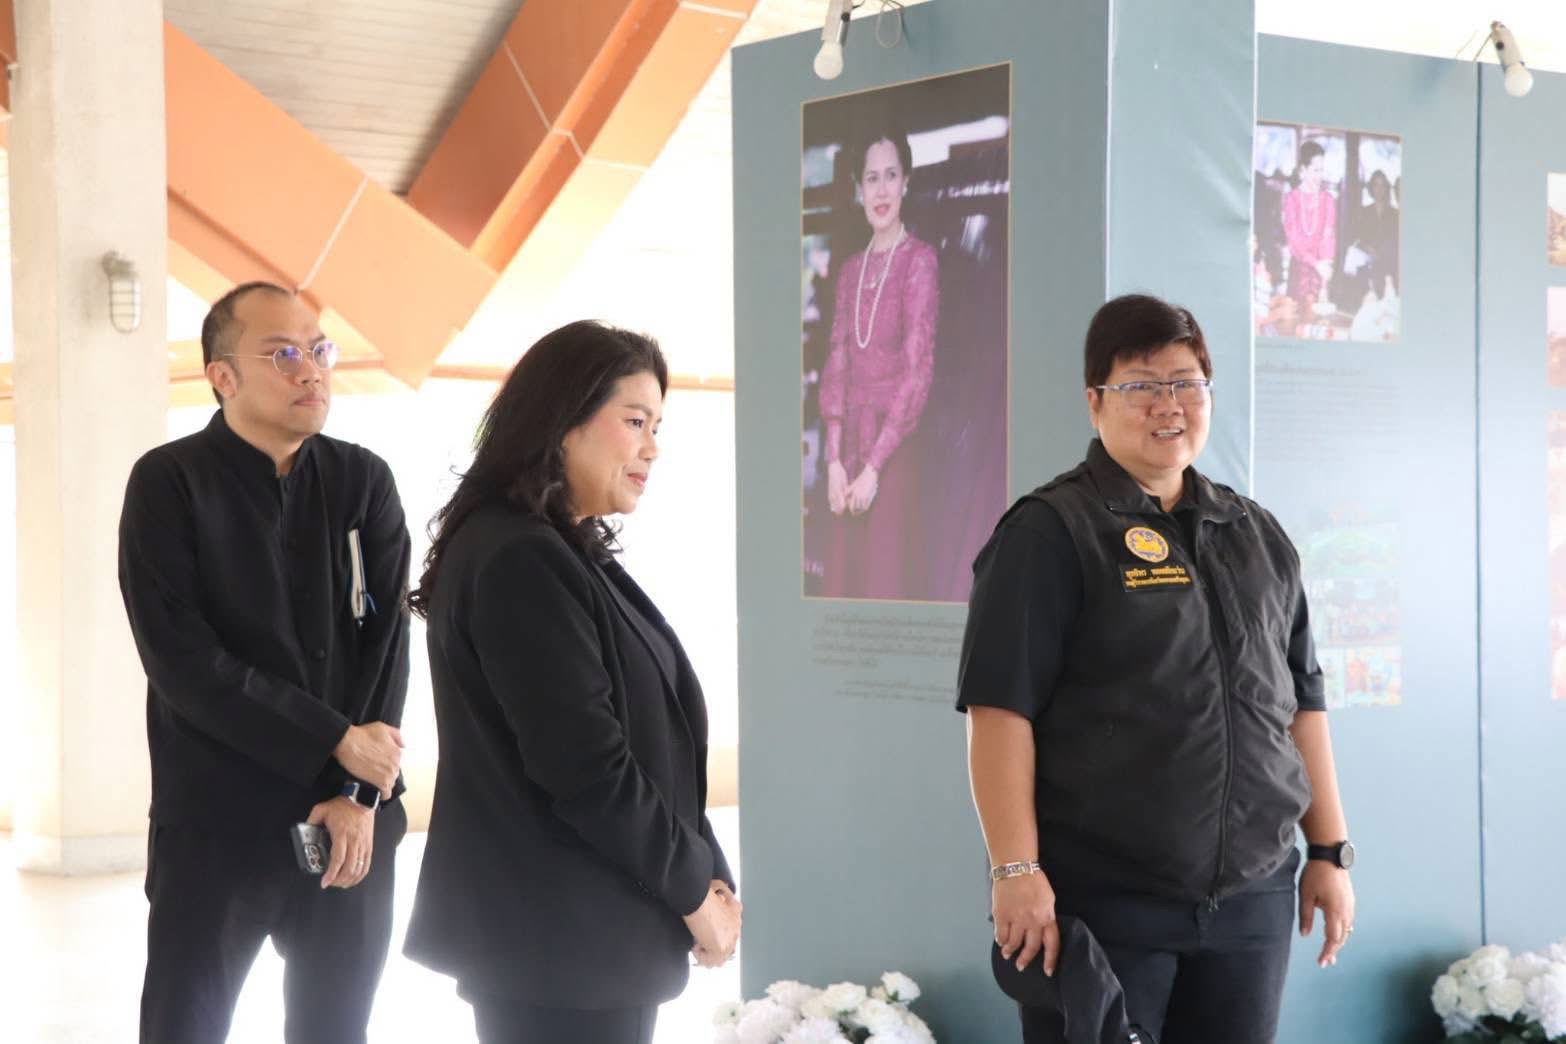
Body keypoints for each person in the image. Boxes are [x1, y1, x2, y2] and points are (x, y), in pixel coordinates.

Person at [957, 294, 1356, 1043]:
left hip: (1250, 905)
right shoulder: (1049, 533)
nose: (1168, 404)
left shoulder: (1256, 534)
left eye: (1187, 382)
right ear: (1094, 401)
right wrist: (1015, 872)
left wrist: (1329, 851)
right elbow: (998, 712)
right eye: (1142, 384)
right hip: (1106, 906)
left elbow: (1301, 701)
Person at [403, 320, 740, 1044]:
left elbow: (658, 742)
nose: (653, 445)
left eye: (658, 424)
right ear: (563, 423)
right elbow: (587, 767)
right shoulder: (521, 557)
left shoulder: (562, 546)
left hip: (582, 943)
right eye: (634, 420)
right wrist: (692, 891)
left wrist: (709, 870)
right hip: (557, 946)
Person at [118, 281, 411, 1043]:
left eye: (319, 350)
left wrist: (357, 790)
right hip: (217, 824)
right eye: (282, 354)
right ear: (222, 376)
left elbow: (385, 653)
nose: (310, 370)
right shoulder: (169, 482)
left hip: (349, 825)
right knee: (186, 1027)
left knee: (335, 1031)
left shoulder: (362, 481)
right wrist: (331, 736)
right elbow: (184, 662)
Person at [816, 126, 940, 599]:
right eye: (872, 178)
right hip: (846, 449)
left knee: (884, 578)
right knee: (840, 581)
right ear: (858, 189)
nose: (882, 189)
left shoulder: (920, 262)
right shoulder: (850, 270)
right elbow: (838, 362)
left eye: (891, 175)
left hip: (895, 448)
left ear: (906, 181)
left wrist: (872, 468)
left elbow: (917, 371)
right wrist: (833, 460)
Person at [1282, 140, 1338, 326]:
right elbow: (1294, 241)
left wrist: (1325, 270)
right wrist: (1316, 264)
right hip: (1300, 269)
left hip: (1322, 271)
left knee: (1322, 324)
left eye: (1322, 170)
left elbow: (1328, 236)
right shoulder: (1291, 199)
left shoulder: (1328, 199)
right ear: (1302, 170)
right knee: (1296, 323)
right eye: (1315, 170)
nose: (1320, 176)